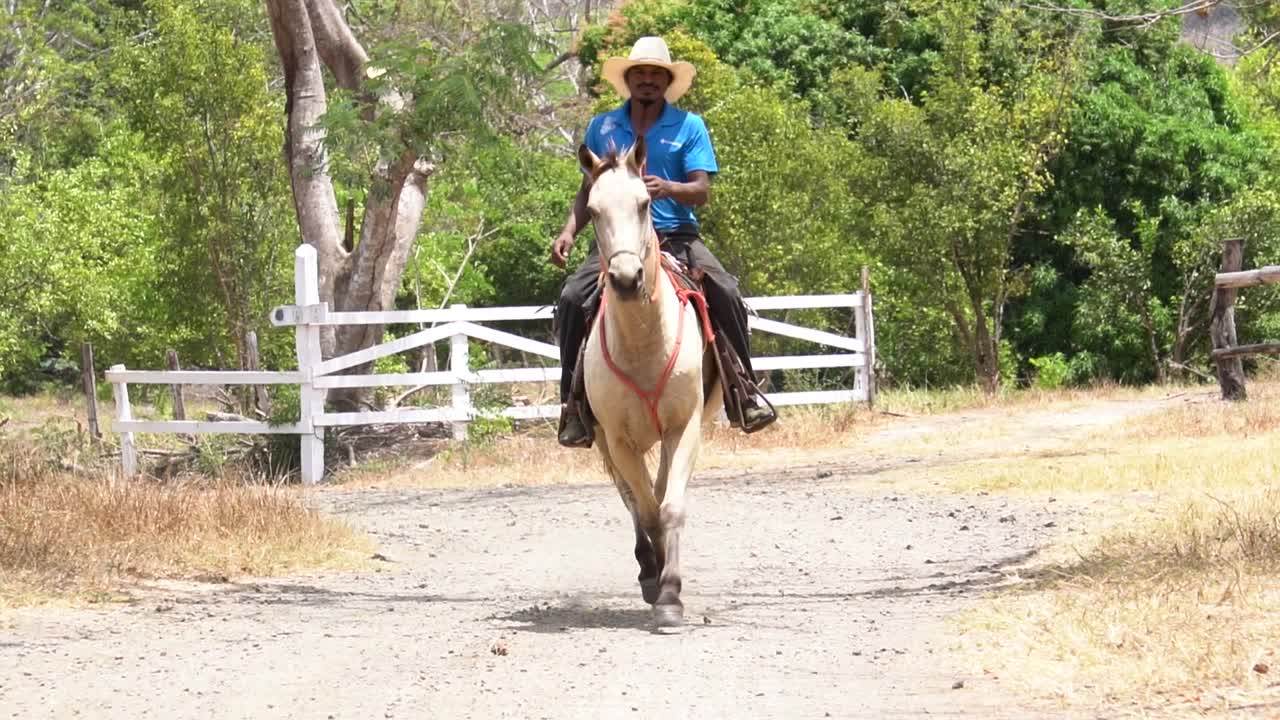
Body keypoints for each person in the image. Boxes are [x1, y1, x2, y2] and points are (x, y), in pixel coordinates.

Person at [550, 36, 776, 448]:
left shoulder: (689, 126)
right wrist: (569, 230)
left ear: (667, 82)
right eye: (641, 74)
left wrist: (668, 187)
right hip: (618, 241)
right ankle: (572, 406)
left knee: (725, 289)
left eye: (657, 75)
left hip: (676, 238)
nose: (648, 81)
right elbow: (589, 192)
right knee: (570, 299)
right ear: (630, 81)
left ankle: (743, 392)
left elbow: (701, 189)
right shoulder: (602, 127)